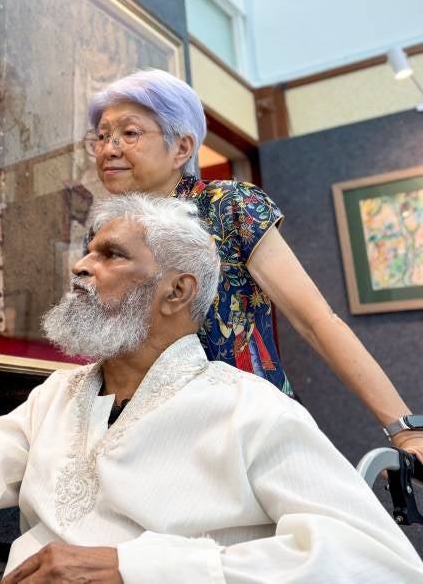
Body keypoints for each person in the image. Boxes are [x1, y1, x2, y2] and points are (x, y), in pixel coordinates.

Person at [0, 195, 423, 582]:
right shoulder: (57, 397)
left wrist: (132, 567)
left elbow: (379, 562)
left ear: (177, 291)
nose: (81, 266)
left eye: (110, 255)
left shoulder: (250, 409)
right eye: (86, 252)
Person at [85, 68, 422, 462]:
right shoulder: (103, 231)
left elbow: (316, 320)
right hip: (148, 436)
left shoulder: (230, 206)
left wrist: (404, 429)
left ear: (181, 148)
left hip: (248, 427)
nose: (109, 149)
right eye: (102, 136)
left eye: (129, 133)